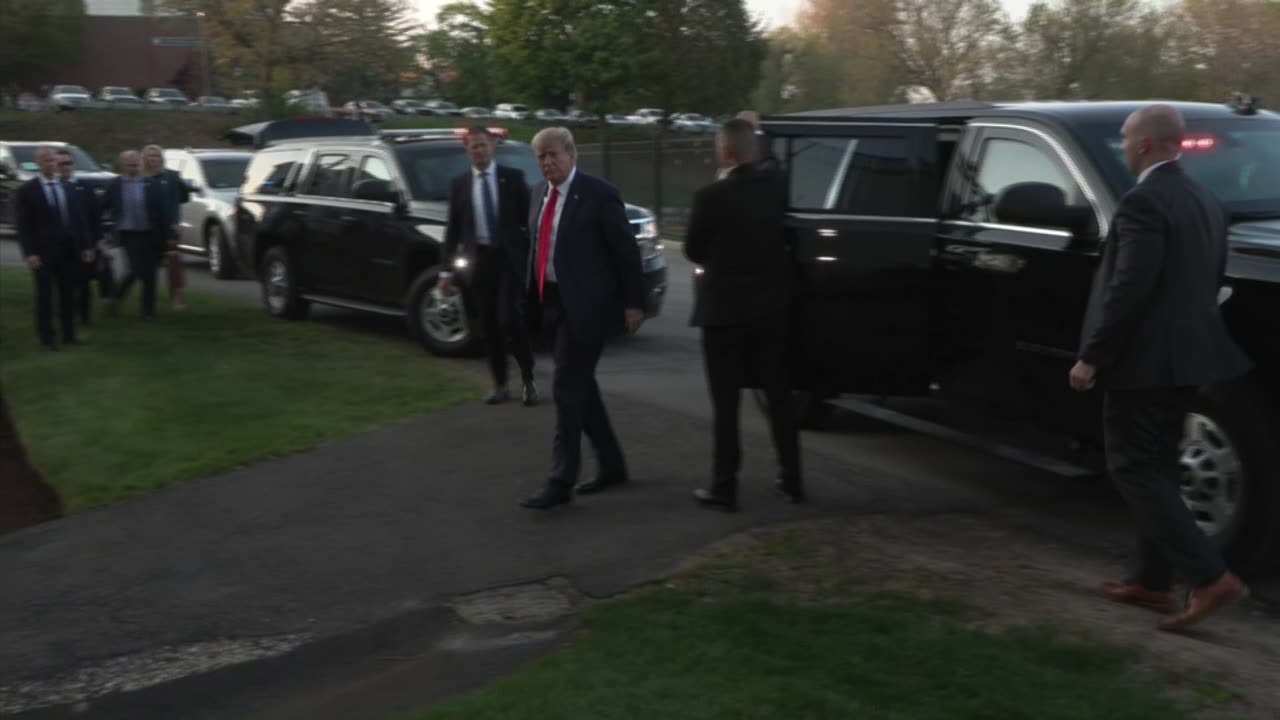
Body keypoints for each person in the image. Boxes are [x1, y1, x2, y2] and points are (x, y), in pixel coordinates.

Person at [1070, 103, 1254, 631]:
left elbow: (1129, 289)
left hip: (1142, 363)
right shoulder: (1206, 199)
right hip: (1191, 359)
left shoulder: (1143, 202)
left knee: (1132, 467)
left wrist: (1092, 357)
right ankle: (1151, 582)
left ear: (1146, 144)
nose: (1124, 146)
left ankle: (1210, 578)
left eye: (1127, 138)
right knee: (1163, 469)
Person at [520, 127, 646, 510]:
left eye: (553, 154)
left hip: (589, 307)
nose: (547, 162)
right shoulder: (538, 194)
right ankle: (612, 464)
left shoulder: (598, 194)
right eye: (540, 157)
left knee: (566, 387)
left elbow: (625, 252)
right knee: (580, 387)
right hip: (553, 302)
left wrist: (633, 303)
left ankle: (561, 480)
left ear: (572, 154)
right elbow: (538, 245)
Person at [685, 118, 802, 511]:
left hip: (723, 313)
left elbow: (691, 249)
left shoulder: (710, 197)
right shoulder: (777, 190)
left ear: (726, 151)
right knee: (779, 397)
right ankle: (792, 478)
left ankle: (725, 485)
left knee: (726, 405)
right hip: (770, 310)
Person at [438, 126, 538, 406]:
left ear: (492, 146)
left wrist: (529, 254)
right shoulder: (460, 185)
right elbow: (453, 231)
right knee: (488, 326)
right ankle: (500, 384)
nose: (479, 151)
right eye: (473, 147)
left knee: (510, 319)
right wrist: (446, 271)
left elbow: (529, 221)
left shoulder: (513, 178)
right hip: (478, 262)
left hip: (508, 260)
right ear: (467, 150)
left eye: (483, 145)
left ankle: (528, 379)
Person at [16, 145, 94, 350]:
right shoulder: (28, 190)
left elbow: (79, 220)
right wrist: (29, 252)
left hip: (68, 249)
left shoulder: (68, 187)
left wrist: (86, 245)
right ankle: (47, 339)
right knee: (44, 297)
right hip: (42, 252)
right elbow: (23, 225)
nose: (53, 165)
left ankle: (69, 335)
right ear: (39, 164)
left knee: (68, 294)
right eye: (48, 161)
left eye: (55, 161)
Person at [104, 150, 167, 320]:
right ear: (123, 165)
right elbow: (103, 207)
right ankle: (117, 295)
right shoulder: (115, 185)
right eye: (130, 165)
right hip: (128, 233)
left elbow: (161, 211)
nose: (134, 168)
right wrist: (106, 230)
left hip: (149, 233)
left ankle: (148, 312)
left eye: (136, 164)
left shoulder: (150, 184)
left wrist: (166, 234)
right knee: (136, 269)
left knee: (150, 273)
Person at [56, 149, 100, 326]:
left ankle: (84, 315)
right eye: (61, 164)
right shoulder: (52, 188)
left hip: (82, 245)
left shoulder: (84, 188)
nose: (65, 167)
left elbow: (93, 218)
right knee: (62, 283)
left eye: (68, 163)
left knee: (83, 283)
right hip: (59, 245)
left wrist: (92, 245)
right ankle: (66, 313)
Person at [142, 145, 189, 311]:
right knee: (148, 267)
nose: (153, 159)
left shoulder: (169, 177)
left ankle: (177, 297)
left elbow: (176, 201)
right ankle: (148, 301)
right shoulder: (140, 177)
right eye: (150, 156)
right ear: (144, 159)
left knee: (174, 262)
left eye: (156, 156)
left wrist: (175, 223)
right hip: (147, 228)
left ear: (161, 159)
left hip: (168, 225)